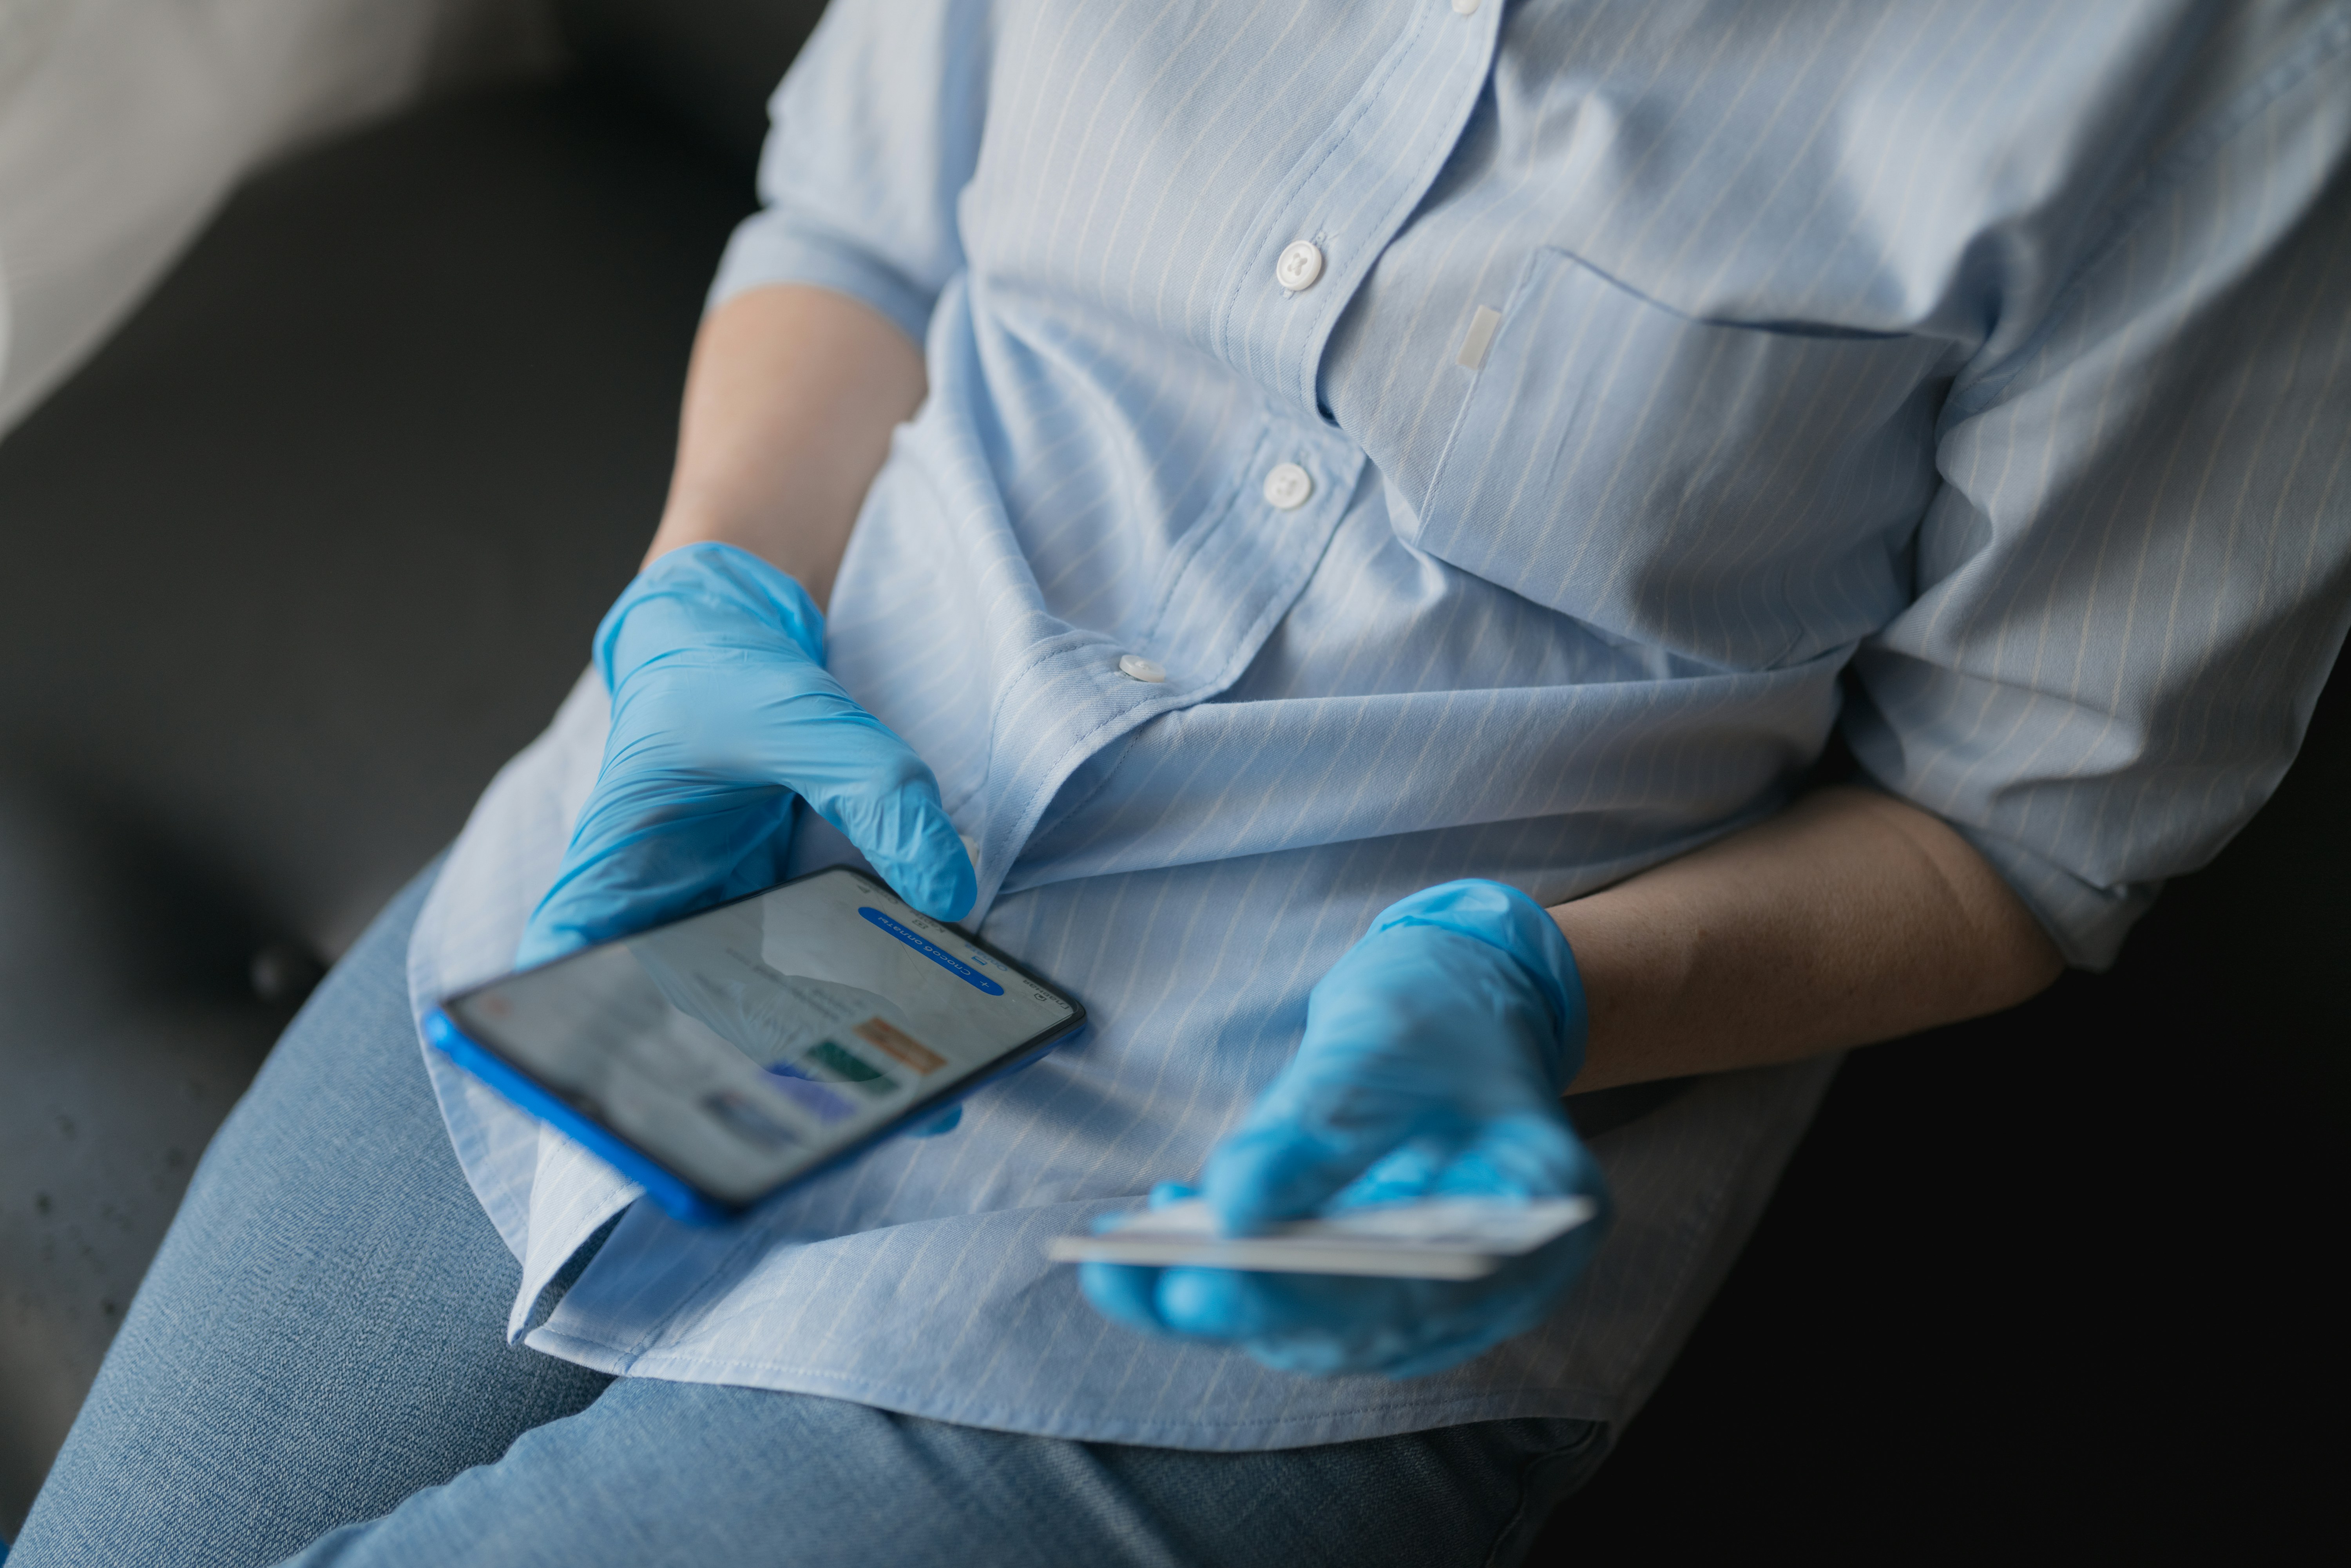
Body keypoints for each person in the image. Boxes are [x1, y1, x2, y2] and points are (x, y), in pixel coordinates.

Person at [13, 2, 2349, 1563]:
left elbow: (2022, 821)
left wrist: (1536, 993)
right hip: (715, 887)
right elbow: (858, 220)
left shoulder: (2234, 71)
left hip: (1250, 1242)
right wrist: (706, 610)